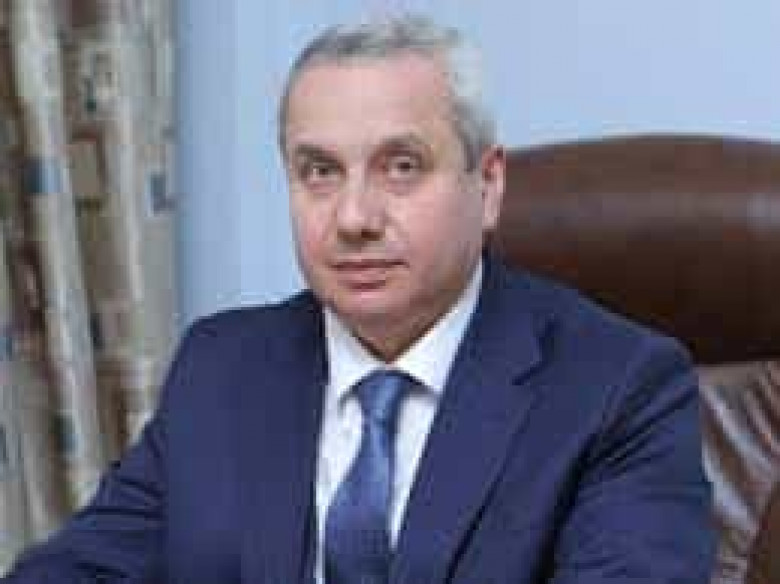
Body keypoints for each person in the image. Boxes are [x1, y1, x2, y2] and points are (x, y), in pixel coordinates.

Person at [4, 14, 714, 584]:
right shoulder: (223, 367)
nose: (353, 217)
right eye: (319, 171)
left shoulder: (618, 388)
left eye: (401, 167)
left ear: (489, 183)